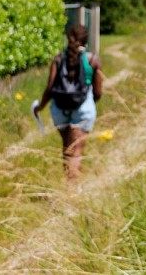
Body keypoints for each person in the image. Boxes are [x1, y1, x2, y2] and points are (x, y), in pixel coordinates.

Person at [33, 24, 103, 183]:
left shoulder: (58, 59)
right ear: (86, 41)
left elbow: (49, 88)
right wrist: (89, 102)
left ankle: (68, 184)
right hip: (83, 109)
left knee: (67, 149)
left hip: (59, 109)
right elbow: (98, 93)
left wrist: (40, 107)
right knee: (76, 152)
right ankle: (73, 188)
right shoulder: (93, 60)